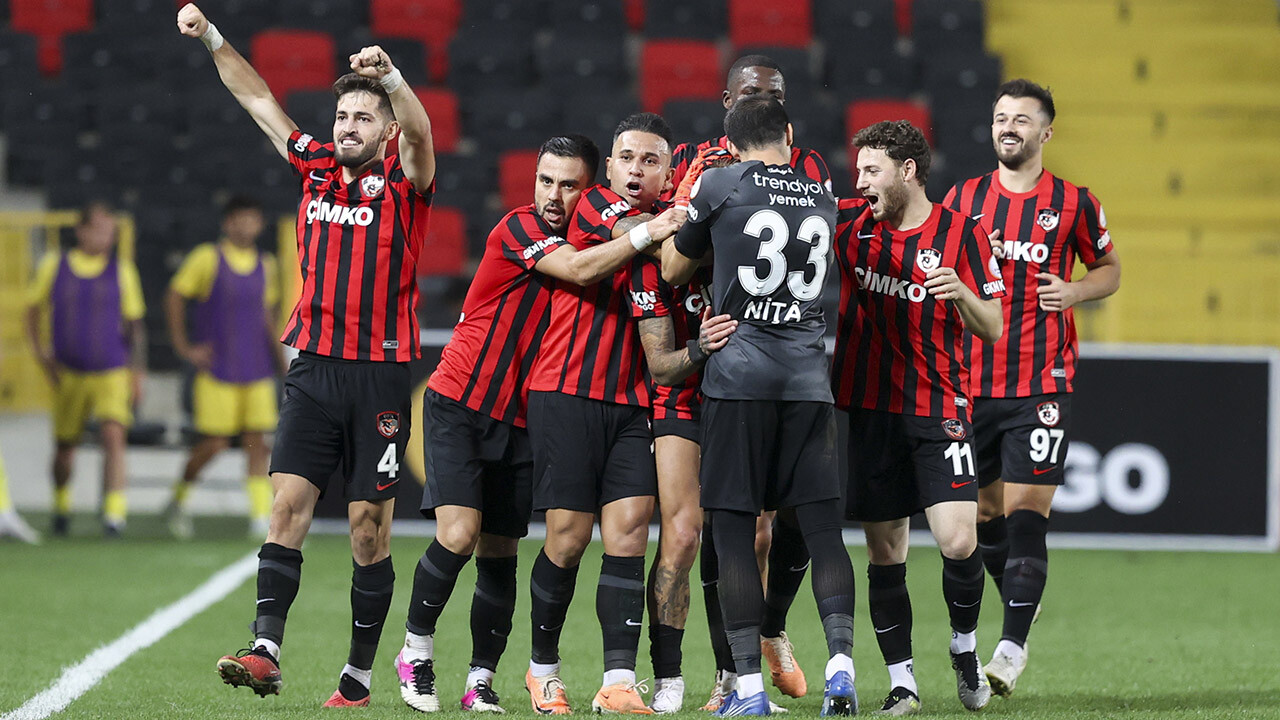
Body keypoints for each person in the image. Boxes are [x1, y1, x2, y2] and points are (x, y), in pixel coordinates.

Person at [177, 3, 437, 707]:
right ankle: (265, 649)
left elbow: (420, 132)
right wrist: (214, 39)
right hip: (314, 369)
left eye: (362, 118)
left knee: (366, 530)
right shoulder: (314, 167)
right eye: (342, 116)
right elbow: (257, 96)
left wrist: (395, 80)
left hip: (380, 376)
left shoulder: (407, 187)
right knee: (286, 504)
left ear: (382, 131)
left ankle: (356, 675)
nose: (347, 127)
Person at [394, 134, 680, 715]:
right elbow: (577, 269)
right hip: (461, 400)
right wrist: (654, 229)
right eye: (545, 181)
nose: (553, 195)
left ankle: (481, 680)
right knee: (458, 535)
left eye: (568, 184)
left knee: (502, 552)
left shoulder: (603, 232)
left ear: (588, 187)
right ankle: (415, 651)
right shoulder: (522, 228)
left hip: (523, 416)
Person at [662, 96, 857, 718]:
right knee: (824, 533)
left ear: (730, 139)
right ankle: (842, 672)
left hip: (738, 380)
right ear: (790, 135)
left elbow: (672, 267)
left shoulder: (720, 182)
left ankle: (747, 691)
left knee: (735, 534)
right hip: (808, 384)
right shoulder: (820, 194)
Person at [942, 79, 1121, 696]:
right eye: (1000, 118)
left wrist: (1074, 291)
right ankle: (1023, 597)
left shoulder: (1074, 203)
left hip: (1041, 380)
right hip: (970, 381)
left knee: (1025, 515)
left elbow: (1109, 270)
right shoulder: (963, 198)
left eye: (1021, 119)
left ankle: (1011, 648)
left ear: (1046, 132)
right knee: (987, 514)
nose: (1008, 127)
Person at [832, 120, 1006, 715]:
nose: (861, 183)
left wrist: (960, 291)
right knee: (887, 553)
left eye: (871, 171)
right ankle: (903, 682)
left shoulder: (962, 234)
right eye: (857, 172)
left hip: (940, 406)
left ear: (908, 171)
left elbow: (995, 325)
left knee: (959, 539)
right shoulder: (851, 227)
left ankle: (964, 651)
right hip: (869, 410)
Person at [522, 113, 686, 716]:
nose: (636, 170)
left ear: (666, 171)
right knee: (567, 540)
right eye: (627, 158)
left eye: (650, 161)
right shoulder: (593, 205)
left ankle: (618, 680)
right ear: (609, 167)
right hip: (565, 391)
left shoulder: (667, 221)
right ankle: (543, 670)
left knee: (627, 536)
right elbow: (649, 233)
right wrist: (681, 221)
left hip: (633, 403)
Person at [163, 195, 286, 539]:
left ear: (260, 224)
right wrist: (184, 346)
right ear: (227, 223)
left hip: (257, 368)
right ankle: (178, 498)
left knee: (257, 443)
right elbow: (174, 295)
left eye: (252, 218)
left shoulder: (267, 264)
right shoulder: (207, 258)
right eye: (239, 218)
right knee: (215, 443)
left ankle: (260, 517)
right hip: (217, 369)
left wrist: (283, 363)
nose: (245, 225)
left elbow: (267, 317)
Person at [24, 199, 146, 538]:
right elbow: (32, 312)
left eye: (111, 231)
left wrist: (137, 371)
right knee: (65, 447)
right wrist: (42, 355)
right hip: (69, 371)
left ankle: (114, 514)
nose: (106, 237)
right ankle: (61, 505)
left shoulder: (122, 270)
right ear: (81, 230)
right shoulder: (55, 265)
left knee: (113, 436)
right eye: (100, 229)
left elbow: (135, 325)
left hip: (111, 370)